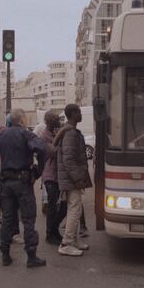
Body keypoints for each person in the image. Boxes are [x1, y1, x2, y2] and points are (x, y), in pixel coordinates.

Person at [0, 109, 49, 268]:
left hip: (6, 183)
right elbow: (42, 148)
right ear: (22, 121)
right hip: (23, 182)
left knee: (8, 219)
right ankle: (31, 256)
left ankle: (5, 254)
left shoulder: (1, 135)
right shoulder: (25, 134)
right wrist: (38, 171)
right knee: (28, 219)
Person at [54, 104, 92, 257]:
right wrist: (78, 179)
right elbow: (68, 160)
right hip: (71, 179)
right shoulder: (70, 133)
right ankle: (66, 243)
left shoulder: (71, 131)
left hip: (70, 178)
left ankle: (74, 240)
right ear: (73, 114)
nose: (81, 114)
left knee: (76, 209)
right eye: (79, 112)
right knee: (74, 209)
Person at [40, 111, 66, 245]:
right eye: (56, 119)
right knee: (52, 207)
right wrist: (61, 138)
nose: (58, 121)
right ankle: (50, 234)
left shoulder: (55, 133)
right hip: (50, 175)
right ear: (49, 121)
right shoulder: (44, 135)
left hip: (59, 175)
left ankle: (54, 230)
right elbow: (53, 153)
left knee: (63, 206)